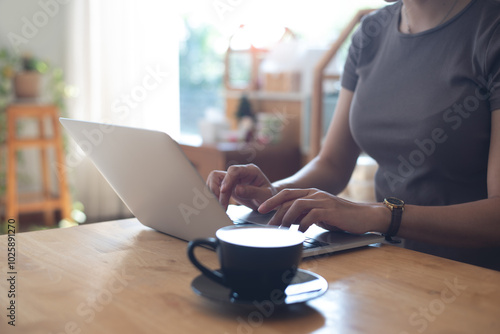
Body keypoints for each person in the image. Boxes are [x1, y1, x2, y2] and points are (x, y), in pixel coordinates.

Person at [207, 0, 500, 270]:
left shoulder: (490, 28)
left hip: (472, 278)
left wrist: (378, 216)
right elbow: (333, 163)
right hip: (388, 264)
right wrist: (275, 194)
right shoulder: (370, 32)